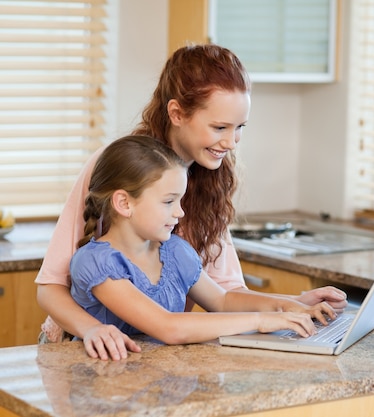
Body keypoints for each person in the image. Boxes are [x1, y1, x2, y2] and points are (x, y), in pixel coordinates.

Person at [36, 43, 348, 360]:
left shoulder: (207, 187)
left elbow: (224, 295)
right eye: (219, 127)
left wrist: (291, 304)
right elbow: (50, 286)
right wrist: (91, 329)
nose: (230, 142)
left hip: (154, 357)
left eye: (239, 128)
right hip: (86, 351)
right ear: (177, 113)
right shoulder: (118, 170)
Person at [70, 135, 335, 343]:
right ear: (124, 203)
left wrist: (290, 305)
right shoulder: (98, 263)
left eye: (180, 200)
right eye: (168, 201)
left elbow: (222, 301)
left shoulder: (174, 252)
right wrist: (260, 320)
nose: (180, 211)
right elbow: (167, 327)